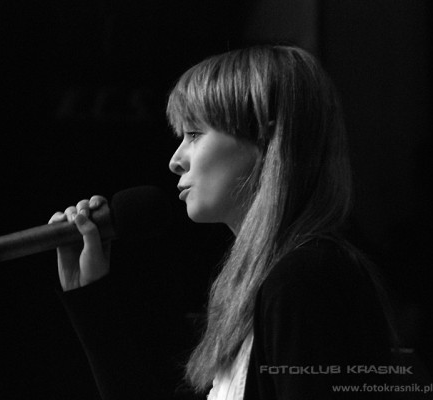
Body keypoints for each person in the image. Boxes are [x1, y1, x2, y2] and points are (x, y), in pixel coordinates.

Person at [49, 45, 399, 399]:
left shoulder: (304, 279)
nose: (175, 160)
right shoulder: (264, 283)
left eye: (194, 134)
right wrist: (88, 297)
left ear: (266, 140)